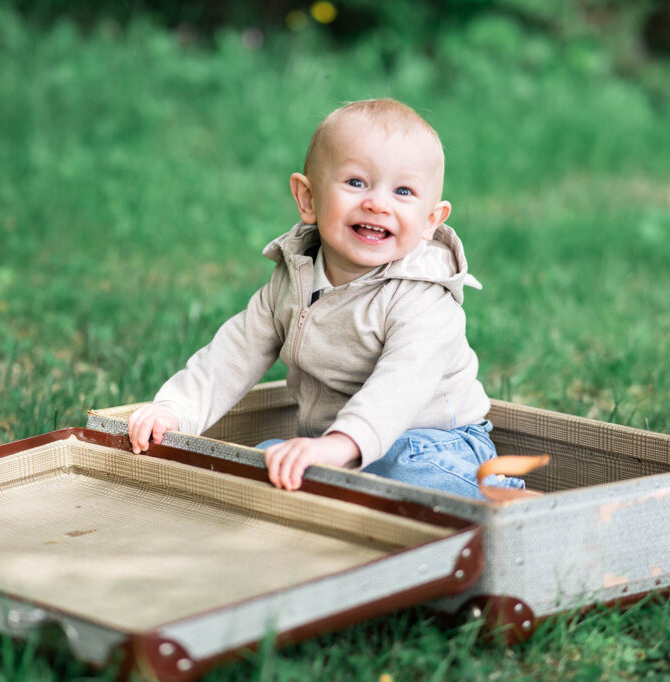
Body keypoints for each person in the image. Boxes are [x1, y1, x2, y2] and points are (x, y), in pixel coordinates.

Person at [128, 98, 523, 499]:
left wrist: (339, 445)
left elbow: (400, 387)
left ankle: (501, 496)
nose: (377, 203)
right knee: (267, 461)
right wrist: (176, 410)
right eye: (356, 182)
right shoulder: (294, 278)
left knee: (405, 470)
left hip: (433, 441)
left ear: (430, 221)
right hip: (332, 445)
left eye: (403, 191)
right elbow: (233, 352)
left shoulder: (423, 297)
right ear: (308, 198)